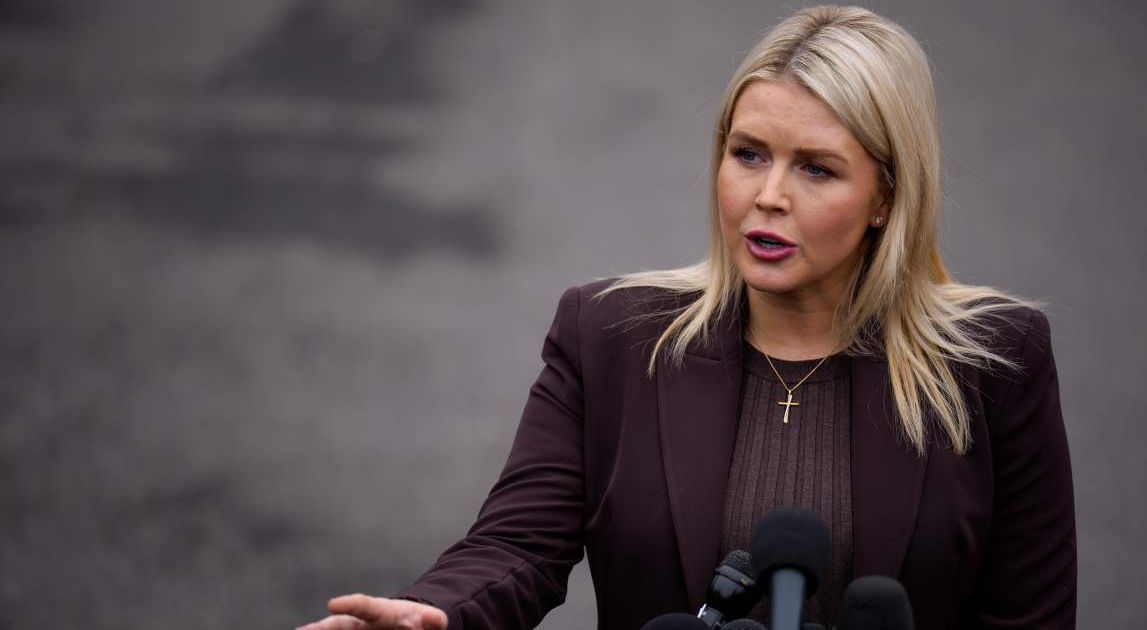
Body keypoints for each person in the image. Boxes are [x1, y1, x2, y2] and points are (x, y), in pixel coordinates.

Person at [297, 5, 1075, 630]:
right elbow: (515, 546)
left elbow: (1029, 616)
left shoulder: (995, 363)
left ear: (886, 197)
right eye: (748, 154)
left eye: (816, 168)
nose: (768, 196)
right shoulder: (610, 335)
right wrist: (435, 613)